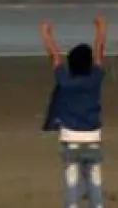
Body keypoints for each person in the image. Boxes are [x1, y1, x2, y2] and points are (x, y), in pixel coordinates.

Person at [41, 15, 108, 208]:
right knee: (94, 181)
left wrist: (46, 35)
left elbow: (55, 57)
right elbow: (99, 53)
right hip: (93, 136)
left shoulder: (65, 81)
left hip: (70, 137)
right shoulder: (94, 79)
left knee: (71, 182)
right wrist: (101, 29)